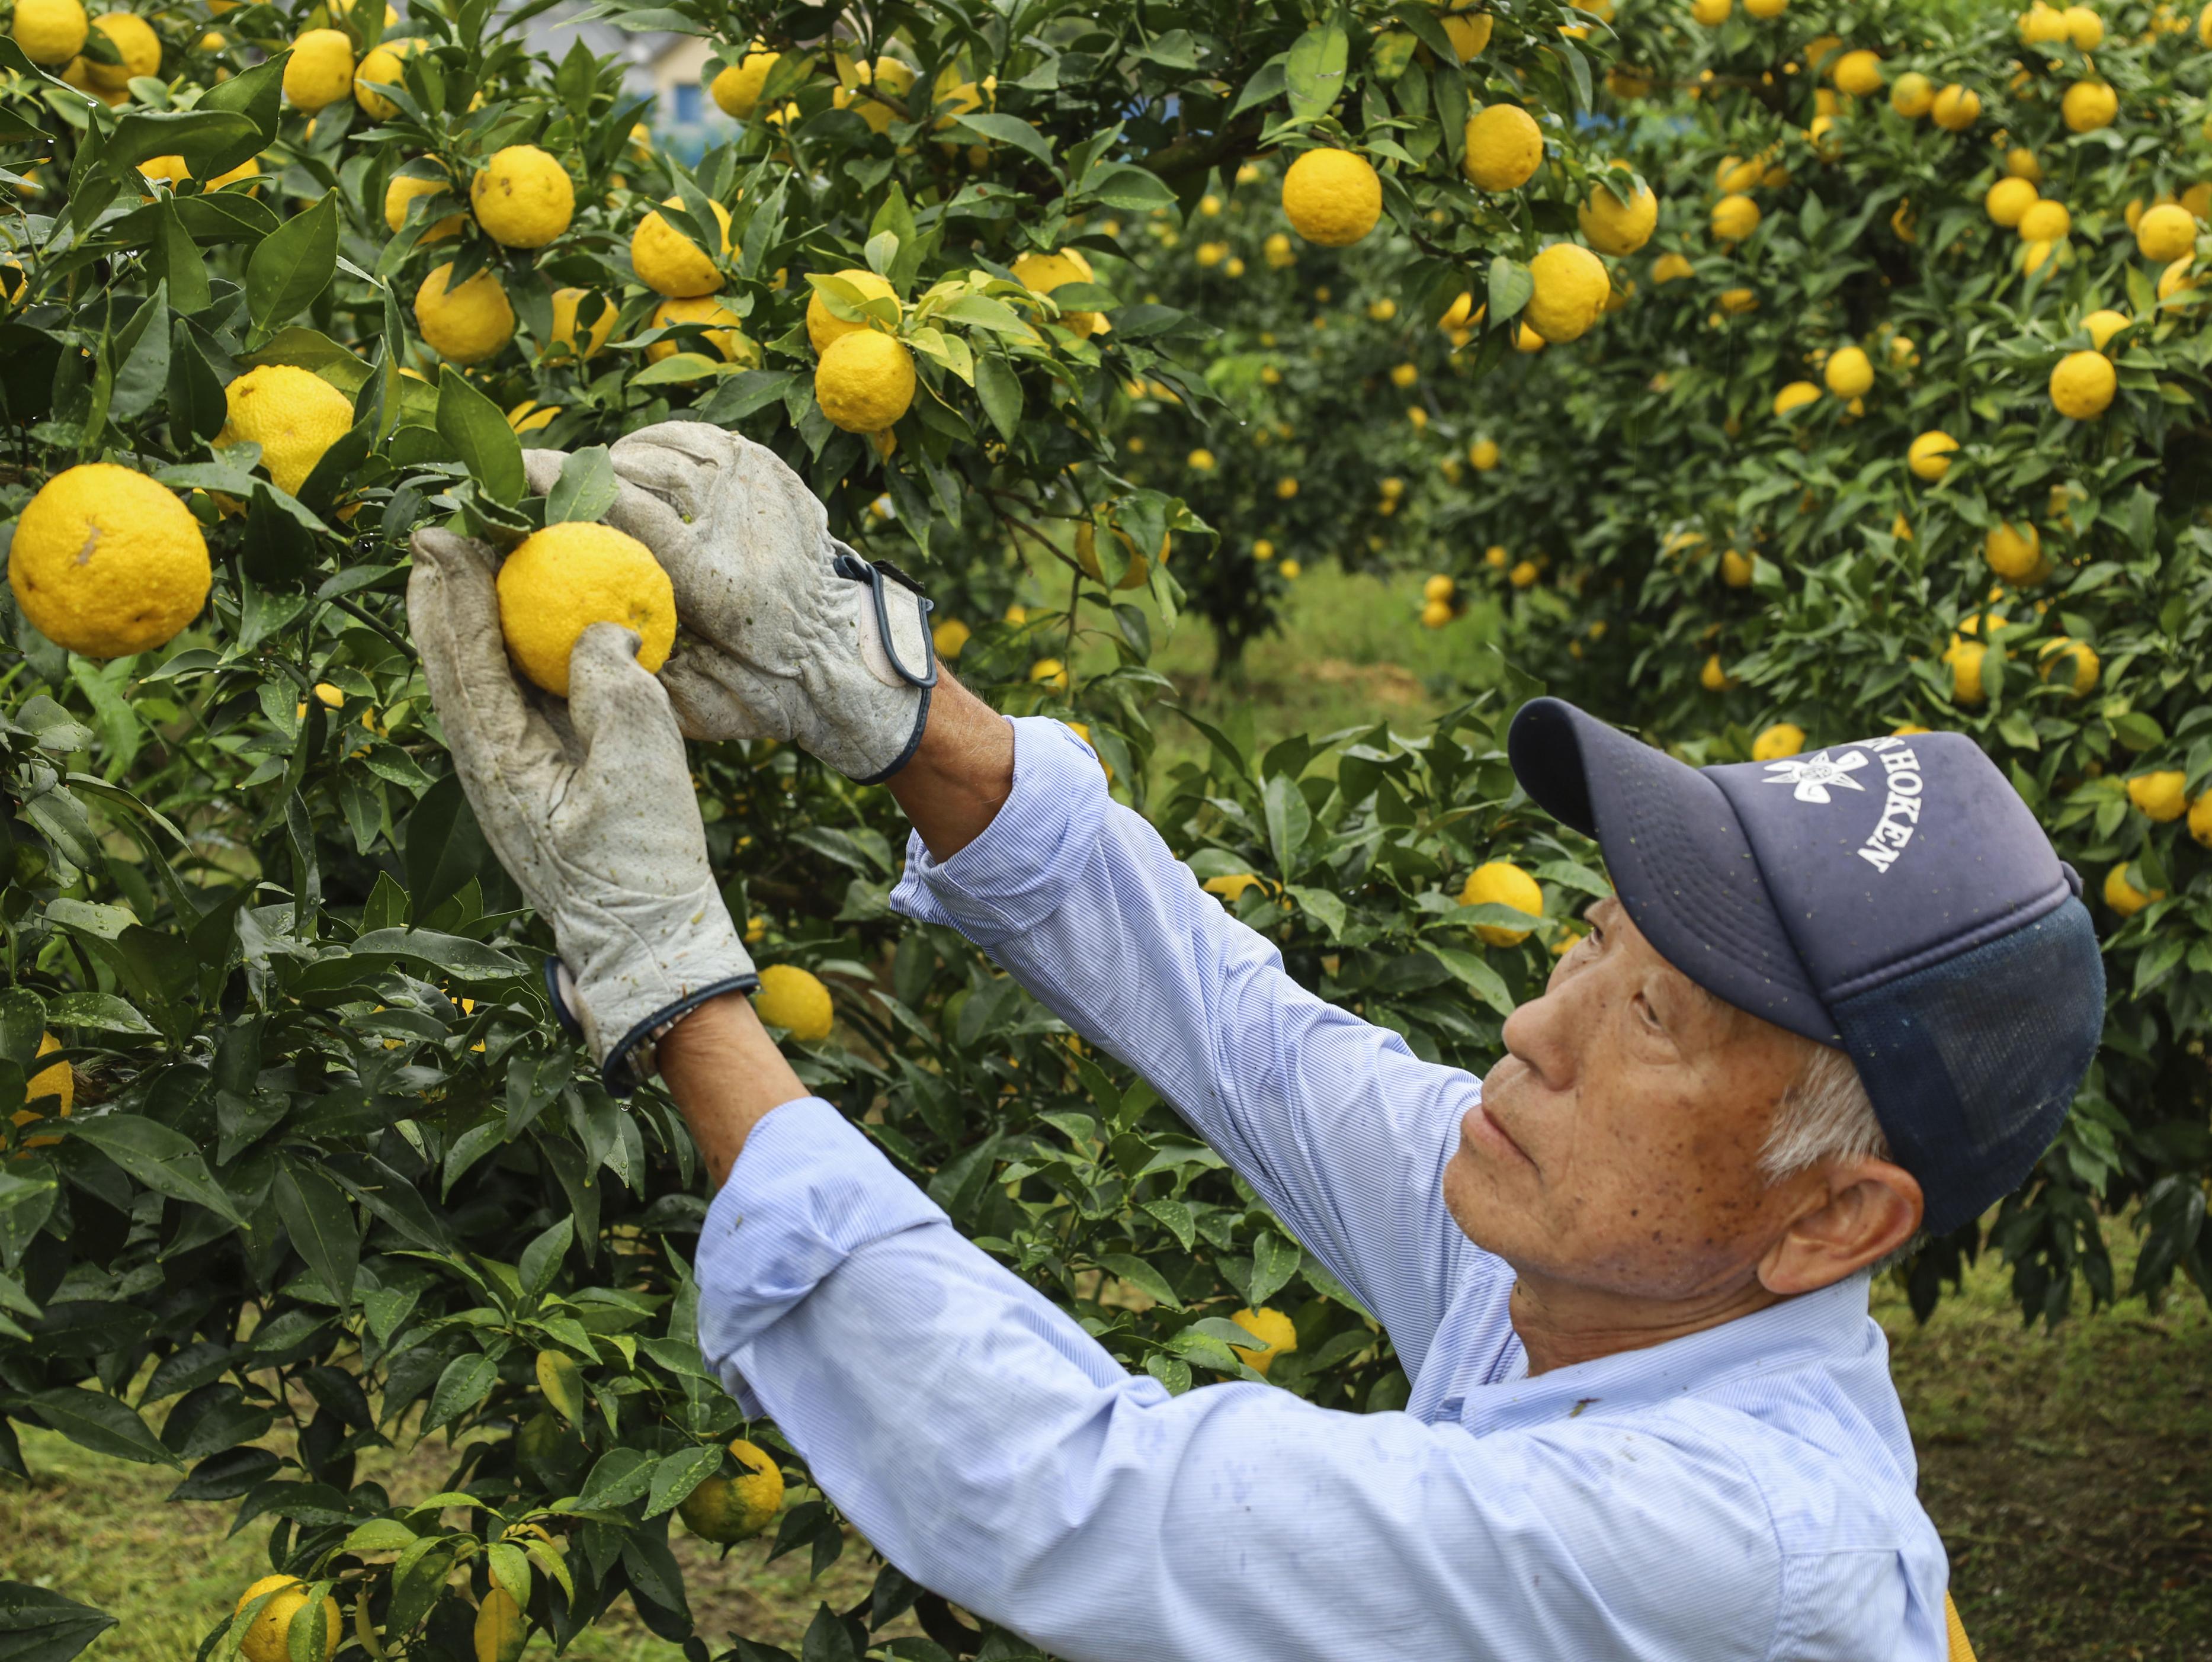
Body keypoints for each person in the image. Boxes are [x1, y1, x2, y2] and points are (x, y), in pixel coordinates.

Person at [409, 423, 2105, 1661]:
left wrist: (671, 981)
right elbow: (1248, 1034)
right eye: (1595, 940)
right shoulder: (1613, 1280)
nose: (1535, 1024)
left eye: (1652, 1013)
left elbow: (1090, 1496)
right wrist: (891, 701)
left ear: (1837, 1219)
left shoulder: (1736, 1546)